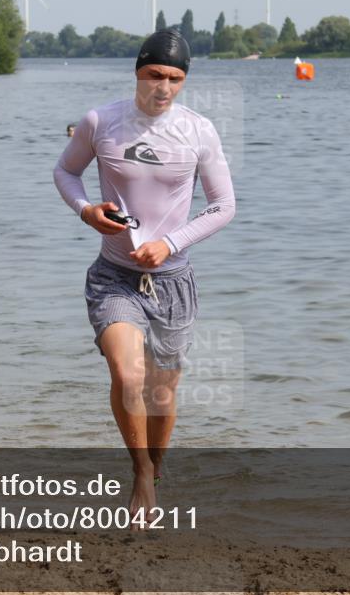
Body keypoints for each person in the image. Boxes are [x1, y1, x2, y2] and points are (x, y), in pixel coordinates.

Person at [53, 29, 236, 528]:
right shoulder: (101, 122)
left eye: (175, 78)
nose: (164, 87)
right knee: (127, 374)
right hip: (114, 275)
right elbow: (65, 172)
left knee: (161, 390)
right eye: (155, 75)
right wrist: (86, 210)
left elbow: (224, 206)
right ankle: (140, 476)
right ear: (137, 72)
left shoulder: (199, 131)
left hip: (173, 282)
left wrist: (171, 242)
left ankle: (157, 469)